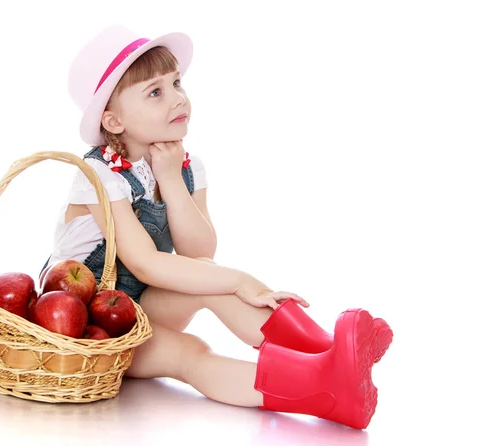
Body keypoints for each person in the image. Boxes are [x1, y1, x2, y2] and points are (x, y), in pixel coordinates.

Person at [40, 24, 393, 430]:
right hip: (90, 326)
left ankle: (332, 353)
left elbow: (198, 251)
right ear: (114, 121)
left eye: (176, 83)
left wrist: (172, 181)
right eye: (155, 92)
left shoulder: (184, 166)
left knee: (212, 280)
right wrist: (241, 279)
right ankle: (323, 389)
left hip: (138, 306)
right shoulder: (98, 174)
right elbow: (145, 264)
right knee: (190, 353)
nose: (177, 98)